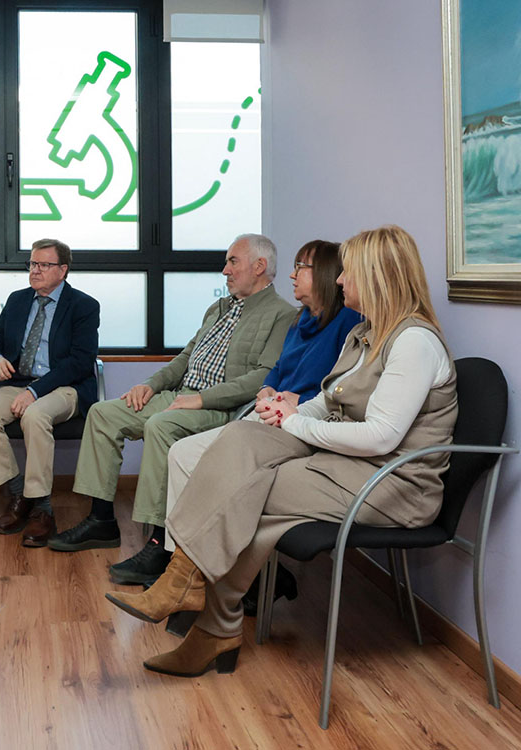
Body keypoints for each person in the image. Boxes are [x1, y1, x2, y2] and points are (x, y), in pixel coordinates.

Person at [107, 225, 456, 678]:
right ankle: (201, 606)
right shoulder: (365, 334)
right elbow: (327, 400)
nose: (340, 280)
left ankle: (193, 594)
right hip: (347, 468)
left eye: (348, 271)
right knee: (239, 438)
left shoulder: (413, 342)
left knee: (244, 490)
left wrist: (295, 423)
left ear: (377, 275)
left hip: (392, 484)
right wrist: (283, 412)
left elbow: (381, 437)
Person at [49, 235, 297, 578]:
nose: (225, 270)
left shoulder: (283, 315)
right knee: (103, 413)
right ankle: (101, 520)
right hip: (182, 394)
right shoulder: (220, 308)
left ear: (259, 266)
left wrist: (201, 399)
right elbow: (185, 358)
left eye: (232, 262)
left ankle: (160, 543)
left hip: (220, 408)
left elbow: (262, 378)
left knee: (161, 426)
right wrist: (151, 385)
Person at [148, 240, 362, 612]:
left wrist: (293, 401)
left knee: (214, 469)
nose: (292, 275)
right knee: (182, 454)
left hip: (299, 424)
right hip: (268, 412)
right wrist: (267, 389)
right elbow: (277, 369)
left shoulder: (348, 324)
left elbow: (335, 389)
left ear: (326, 274)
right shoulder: (300, 320)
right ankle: (183, 570)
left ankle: (214, 576)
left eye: (301, 267)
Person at [0, 238, 100, 547]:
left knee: (35, 414)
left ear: (63, 270)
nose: (35, 270)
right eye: (32, 263)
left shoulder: (83, 306)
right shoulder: (18, 300)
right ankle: (19, 494)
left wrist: (35, 391)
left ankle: (42, 508)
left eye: (44, 265)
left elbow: (80, 362)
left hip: (63, 388)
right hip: (19, 383)